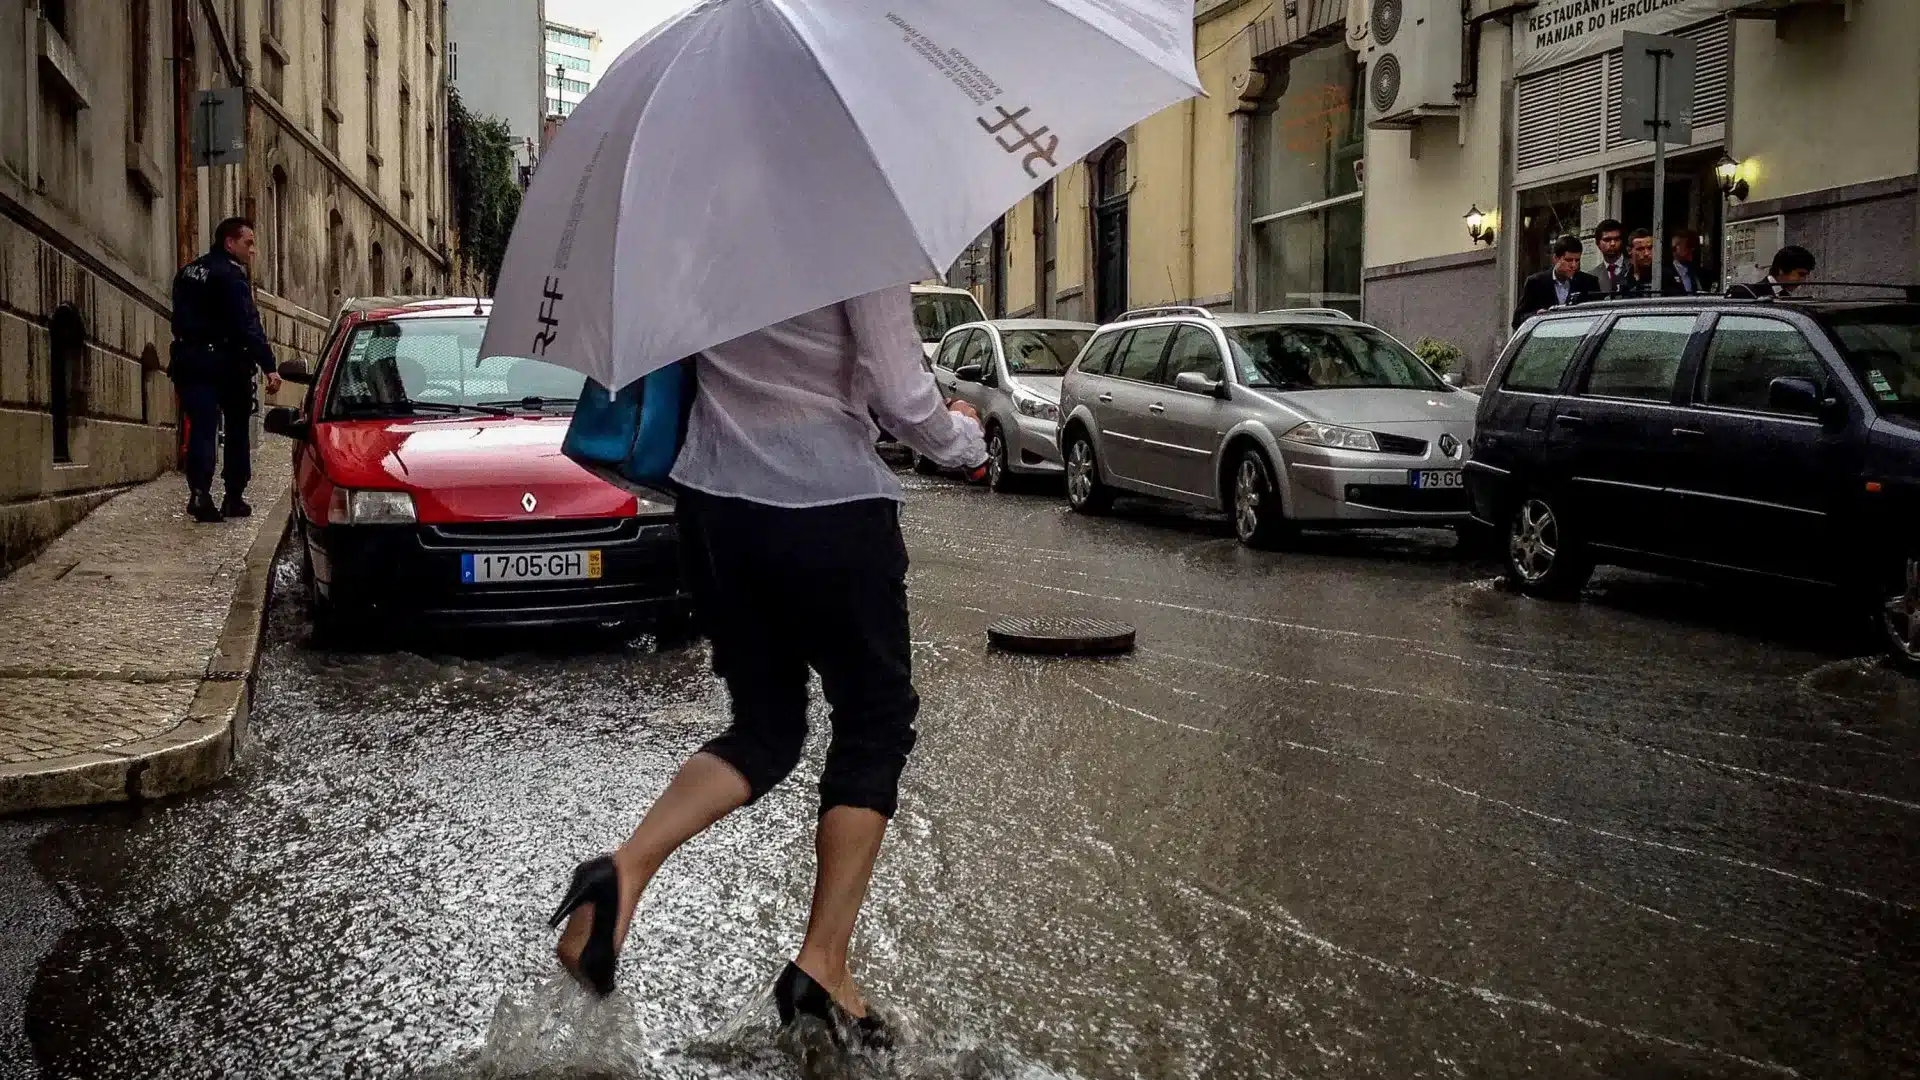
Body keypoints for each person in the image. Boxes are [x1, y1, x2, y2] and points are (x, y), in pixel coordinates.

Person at [548, 286, 988, 1046]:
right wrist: (963, 439)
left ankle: (623, 873)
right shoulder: (851, 219)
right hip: (831, 505)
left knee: (766, 727)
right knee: (875, 721)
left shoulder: (701, 225)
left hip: (719, 512)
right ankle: (824, 965)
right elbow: (898, 389)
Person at [169, 218, 281, 523]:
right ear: (229, 243)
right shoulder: (231, 276)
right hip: (226, 363)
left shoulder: (188, 272)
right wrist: (269, 366)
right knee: (235, 431)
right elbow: (247, 325)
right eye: (249, 243)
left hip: (189, 359)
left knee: (202, 429)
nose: (253, 250)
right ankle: (233, 496)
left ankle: (200, 494)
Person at [1513, 234, 1600, 329]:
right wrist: (1536, 316)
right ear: (1555, 259)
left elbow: (1598, 316)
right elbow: (1517, 320)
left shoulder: (1589, 282)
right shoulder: (1536, 282)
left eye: (1577, 260)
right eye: (1569, 260)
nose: (1574, 265)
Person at [1731, 245, 1816, 298]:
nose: (1803, 280)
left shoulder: (1787, 297)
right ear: (1781, 270)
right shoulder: (1748, 294)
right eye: (1800, 274)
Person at [1664, 228, 1707, 295]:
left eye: (1693, 246)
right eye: (1687, 245)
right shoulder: (1665, 273)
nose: (1692, 249)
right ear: (1675, 248)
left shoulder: (1698, 272)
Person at [1617, 229, 1660, 296]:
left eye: (1650, 248)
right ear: (1629, 250)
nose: (1646, 253)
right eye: (1640, 249)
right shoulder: (1621, 280)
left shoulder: (1666, 277)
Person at [1592, 219, 1628, 294]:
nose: (1612, 243)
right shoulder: (1593, 276)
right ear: (1598, 244)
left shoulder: (1634, 268)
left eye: (1617, 239)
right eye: (1607, 240)